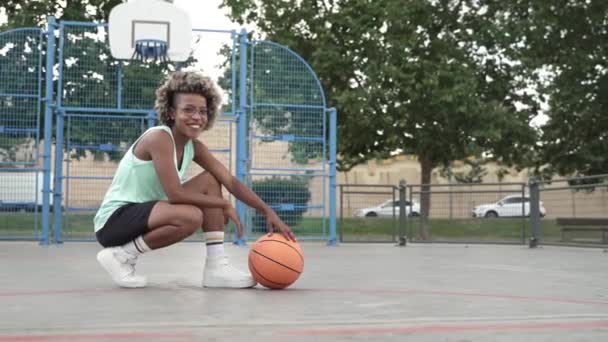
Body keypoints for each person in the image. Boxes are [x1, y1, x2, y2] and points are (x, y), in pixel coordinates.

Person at [93, 71, 295, 289]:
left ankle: (216, 267)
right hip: (113, 221)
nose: (197, 117)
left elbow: (230, 181)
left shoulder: (193, 147)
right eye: (188, 109)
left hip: (145, 213)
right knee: (190, 216)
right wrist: (224, 204)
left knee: (210, 180)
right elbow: (175, 194)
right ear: (171, 112)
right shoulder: (159, 137)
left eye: (202, 111)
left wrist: (267, 210)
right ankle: (121, 256)